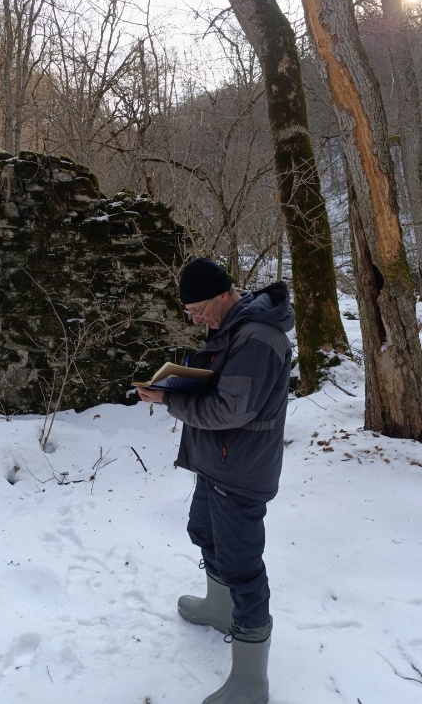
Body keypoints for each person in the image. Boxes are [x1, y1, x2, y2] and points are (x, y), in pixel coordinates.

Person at [137, 258, 294, 704]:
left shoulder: (258, 338)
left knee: (243, 570)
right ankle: (220, 609)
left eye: (198, 310)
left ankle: (251, 682)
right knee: (204, 532)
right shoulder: (234, 326)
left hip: (240, 470)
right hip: (218, 460)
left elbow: (231, 410)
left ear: (224, 293)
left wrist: (170, 401)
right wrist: (180, 384)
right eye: (189, 312)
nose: (195, 320)